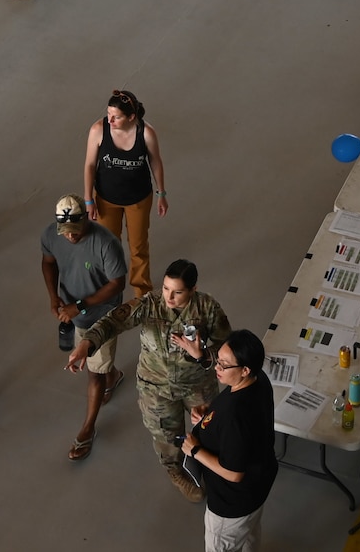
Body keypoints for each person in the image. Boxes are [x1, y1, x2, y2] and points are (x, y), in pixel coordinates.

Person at [71, 259, 231, 501]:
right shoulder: (150, 305)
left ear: (193, 290)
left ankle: (210, 466)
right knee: (167, 435)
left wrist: (203, 354)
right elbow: (114, 320)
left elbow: (226, 349)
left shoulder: (207, 309)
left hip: (197, 383)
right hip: (156, 386)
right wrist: (87, 343)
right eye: (166, 288)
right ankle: (176, 471)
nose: (169, 296)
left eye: (178, 292)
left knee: (211, 427)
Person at [41, 197, 128, 461]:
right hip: (72, 311)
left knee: (93, 373)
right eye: (64, 231)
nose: (69, 236)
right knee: (98, 365)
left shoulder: (106, 243)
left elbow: (117, 284)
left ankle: (87, 429)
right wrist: (53, 297)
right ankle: (112, 375)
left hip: (102, 315)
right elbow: (48, 262)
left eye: (75, 230)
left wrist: (80, 306)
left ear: (87, 220)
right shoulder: (50, 235)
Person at [182, 329, 278, 548]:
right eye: (218, 360)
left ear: (245, 369)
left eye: (224, 365)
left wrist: (195, 450)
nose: (217, 367)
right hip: (258, 486)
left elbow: (234, 473)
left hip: (232, 504)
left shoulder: (236, 416)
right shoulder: (258, 380)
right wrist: (210, 413)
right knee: (249, 536)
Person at [82, 89, 168, 300]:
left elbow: (155, 162)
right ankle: (108, 286)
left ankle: (141, 292)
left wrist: (161, 193)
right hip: (105, 199)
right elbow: (90, 165)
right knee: (107, 246)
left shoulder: (146, 133)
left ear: (132, 117)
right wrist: (88, 199)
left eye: (117, 116)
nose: (110, 119)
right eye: (109, 113)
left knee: (138, 247)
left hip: (138, 199)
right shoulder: (98, 130)